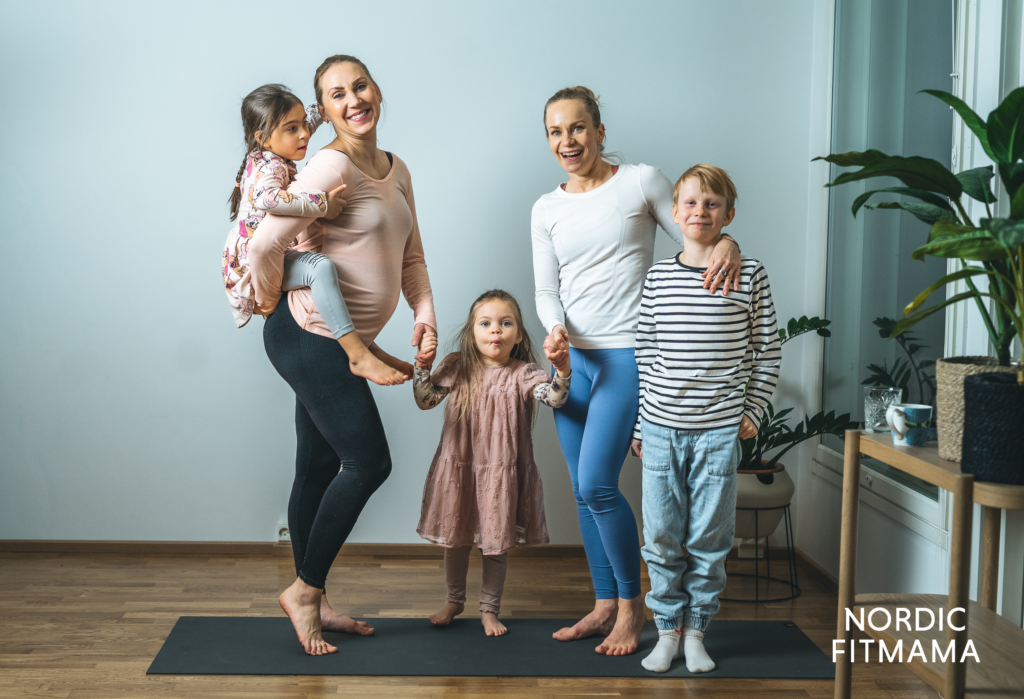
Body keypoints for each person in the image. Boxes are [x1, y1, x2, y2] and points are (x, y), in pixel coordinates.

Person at [533, 86, 743, 656]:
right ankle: (604, 604)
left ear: (599, 130)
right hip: (572, 360)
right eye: (555, 131)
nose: (567, 141)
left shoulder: (641, 181)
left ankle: (633, 611)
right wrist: (554, 331)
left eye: (577, 128)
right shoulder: (546, 208)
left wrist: (728, 241)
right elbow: (546, 289)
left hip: (628, 354)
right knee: (583, 491)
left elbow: (696, 235)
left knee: (599, 483)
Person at [247, 55, 438, 656]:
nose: (354, 100)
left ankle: (317, 598)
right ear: (323, 110)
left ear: (377, 90)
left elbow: (413, 258)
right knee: (368, 462)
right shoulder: (328, 165)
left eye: (361, 86)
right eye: (337, 94)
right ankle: (304, 590)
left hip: (333, 338)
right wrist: (267, 298)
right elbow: (266, 240)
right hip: (310, 336)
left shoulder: (395, 168)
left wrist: (425, 313)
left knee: (318, 467)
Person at [630, 165, 781, 673]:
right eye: (691, 203)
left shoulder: (749, 274)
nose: (700, 212)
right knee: (662, 535)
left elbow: (767, 350)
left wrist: (754, 410)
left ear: (729, 214)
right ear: (675, 213)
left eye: (712, 204)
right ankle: (667, 631)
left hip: (719, 431)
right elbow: (645, 354)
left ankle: (697, 630)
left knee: (709, 538)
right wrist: (638, 426)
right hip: (660, 428)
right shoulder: (658, 277)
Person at [223, 84, 407, 386]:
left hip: (277, 256)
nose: (304, 135)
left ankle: (368, 346)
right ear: (263, 138)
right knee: (320, 268)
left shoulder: (272, 148)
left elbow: (303, 122)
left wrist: (322, 111)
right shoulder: (269, 166)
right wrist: (321, 205)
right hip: (254, 264)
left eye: (302, 126)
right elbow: (267, 199)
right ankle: (358, 353)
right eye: (292, 129)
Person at [413, 290, 571, 637]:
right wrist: (421, 368)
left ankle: (489, 609)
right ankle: (455, 600)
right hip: (460, 470)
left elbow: (555, 399)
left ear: (518, 336)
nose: (495, 330)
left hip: (500, 473)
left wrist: (562, 370)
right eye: (485, 324)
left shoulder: (523, 373)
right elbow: (426, 401)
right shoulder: (457, 366)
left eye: (505, 323)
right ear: (472, 332)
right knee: (455, 541)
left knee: (494, 544)